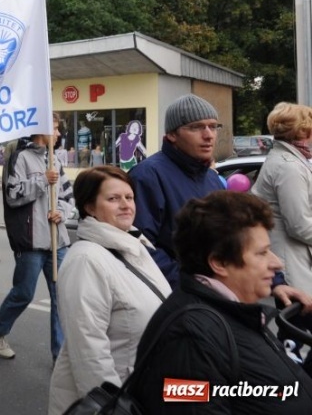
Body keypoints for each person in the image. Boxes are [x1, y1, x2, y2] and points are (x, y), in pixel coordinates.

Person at [130, 191, 312, 414]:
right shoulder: (190, 338)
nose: (277, 264)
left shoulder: (228, 314)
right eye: (262, 253)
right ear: (219, 262)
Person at [48, 166, 171, 414]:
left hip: (140, 391)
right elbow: (89, 349)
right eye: (113, 199)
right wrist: (112, 408)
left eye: (129, 197)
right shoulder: (86, 260)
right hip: (114, 400)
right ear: (90, 208)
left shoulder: (133, 245)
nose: (126, 205)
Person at [0, 112, 76, 361]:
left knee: (61, 297)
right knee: (24, 293)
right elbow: (13, 195)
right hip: (31, 241)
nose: (58, 133)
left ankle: (60, 356)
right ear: (41, 130)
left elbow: (69, 197)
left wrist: (63, 213)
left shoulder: (55, 159)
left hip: (58, 241)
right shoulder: (20, 158)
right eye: (55, 128)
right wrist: (42, 181)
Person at [129, 94, 225, 287]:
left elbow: (233, 235)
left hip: (215, 292)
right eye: (196, 127)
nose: (209, 135)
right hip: (178, 297)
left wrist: (276, 281)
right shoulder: (147, 176)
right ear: (172, 135)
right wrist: (190, 284)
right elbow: (139, 244)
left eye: (213, 126)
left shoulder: (213, 178)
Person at [252, 102, 312, 295]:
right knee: (300, 321)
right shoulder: (289, 167)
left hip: (294, 261)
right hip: (293, 266)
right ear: (301, 133)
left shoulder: (287, 160)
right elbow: (299, 225)